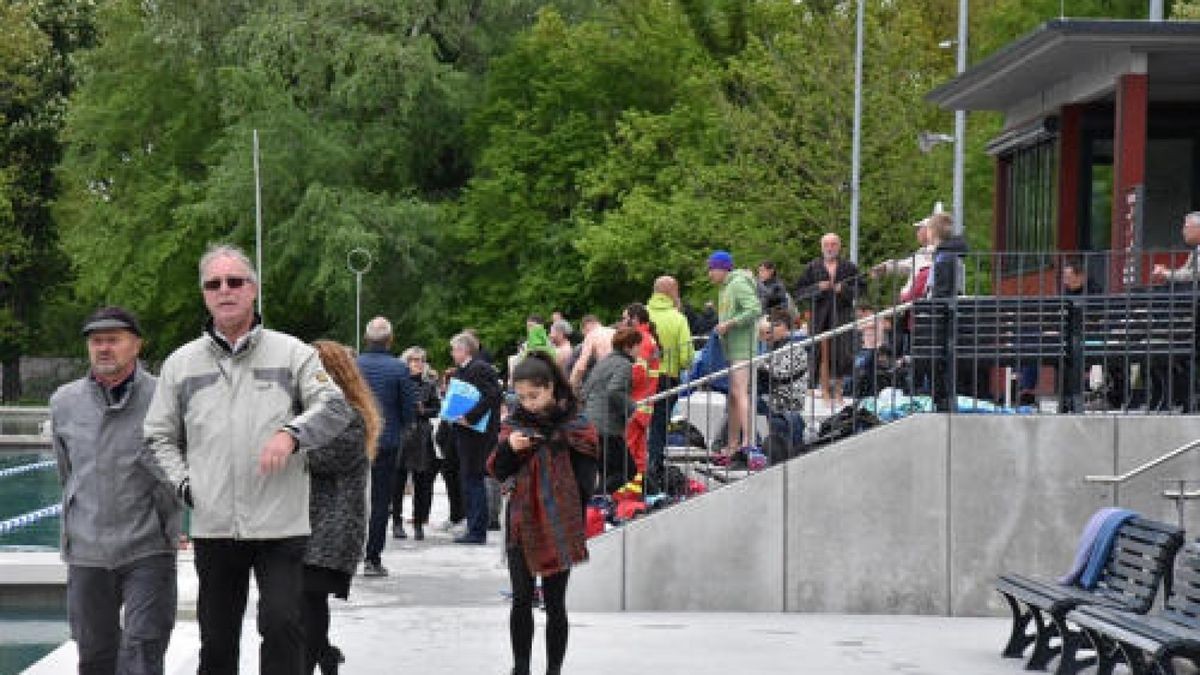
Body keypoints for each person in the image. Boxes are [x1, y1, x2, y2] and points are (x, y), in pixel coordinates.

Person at [145, 244, 353, 675]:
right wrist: (186, 486)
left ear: (253, 289)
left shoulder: (292, 353)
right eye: (214, 283)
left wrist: (292, 435)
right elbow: (157, 437)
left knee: (281, 626)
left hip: (280, 524)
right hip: (216, 525)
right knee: (217, 640)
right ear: (204, 294)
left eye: (235, 281)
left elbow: (334, 408)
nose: (225, 290)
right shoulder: (181, 364)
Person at [51, 306, 179, 675]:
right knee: (94, 654)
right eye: (96, 341)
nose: (103, 348)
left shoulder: (164, 397)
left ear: (136, 345)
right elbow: (67, 471)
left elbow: (179, 465)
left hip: (148, 546)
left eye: (113, 340)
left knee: (143, 650)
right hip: (87, 548)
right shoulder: (64, 401)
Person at [488, 352, 598, 675]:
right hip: (522, 522)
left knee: (555, 603)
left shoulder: (577, 425)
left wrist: (561, 501)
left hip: (560, 522)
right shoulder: (515, 425)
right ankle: (520, 667)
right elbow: (496, 469)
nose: (528, 403)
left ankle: (554, 669)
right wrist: (511, 449)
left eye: (534, 395)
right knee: (521, 599)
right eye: (521, 397)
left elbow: (586, 482)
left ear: (551, 388)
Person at [303, 341, 378, 675]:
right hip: (310, 525)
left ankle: (318, 656)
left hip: (332, 528)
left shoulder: (348, 416)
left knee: (308, 598)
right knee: (305, 601)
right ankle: (324, 654)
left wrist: (281, 439)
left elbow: (320, 458)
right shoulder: (312, 410)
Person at [356, 316, 415, 576]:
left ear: (366, 338)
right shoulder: (399, 368)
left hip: (356, 440)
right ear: (390, 340)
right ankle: (372, 558)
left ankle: (348, 554)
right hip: (387, 441)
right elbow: (408, 408)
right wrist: (404, 428)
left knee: (353, 499)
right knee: (381, 502)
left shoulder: (354, 364)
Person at [448, 331, 503, 544]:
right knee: (469, 478)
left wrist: (470, 417)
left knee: (474, 479)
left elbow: (493, 395)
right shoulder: (465, 369)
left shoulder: (479, 368)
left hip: (476, 434)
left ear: (464, 350)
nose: (452, 353)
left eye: (454, 349)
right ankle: (473, 526)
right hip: (467, 432)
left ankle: (477, 530)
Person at [707, 250, 763, 456]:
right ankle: (732, 444)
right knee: (733, 395)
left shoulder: (738, 283)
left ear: (722, 268)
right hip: (731, 348)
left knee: (740, 392)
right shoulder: (724, 288)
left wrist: (729, 324)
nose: (709, 274)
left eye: (711, 269)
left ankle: (748, 441)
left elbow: (755, 309)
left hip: (742, 347)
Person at [795, 233, 861, 406]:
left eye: (833, 244)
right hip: (820, 316)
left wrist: (844, 289)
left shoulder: (849, 267)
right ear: (821, 247)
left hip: (842, 314)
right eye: (827, 245)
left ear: (839, 246)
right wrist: (817, 287)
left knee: (841, 353)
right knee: (822, 354)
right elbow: (799, 292)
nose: (830, 248)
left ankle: (838, 394)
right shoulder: (813, 266)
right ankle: (824, 392)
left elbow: (861, 289)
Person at [645, 276, 694, 493]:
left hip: (642, 377)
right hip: (666, 378)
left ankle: (637, 467)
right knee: (658, 424)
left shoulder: (642, 314)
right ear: (673, 292)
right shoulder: (677, 318)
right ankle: (654, 465)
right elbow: (687, 357)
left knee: (638, 423)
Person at [580, 327, 641, 493]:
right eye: (637, 345)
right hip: (608, 429)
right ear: (628, 347)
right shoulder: (624, 365)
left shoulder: (604, 362)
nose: (639, 350)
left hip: (591, 426)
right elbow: (615, 390)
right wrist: (631, 407)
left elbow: (584, 391)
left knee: (608, 472)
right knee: (627, 473)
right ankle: (595, 501)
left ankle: (600, 506)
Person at [394, 347, 440, 541]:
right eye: (414, 360)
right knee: (398, 482)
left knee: (421, 481)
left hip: (421, 436)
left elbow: (437, 409)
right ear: (407, 362)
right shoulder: (398, 383)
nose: (418, 363)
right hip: (402, 435)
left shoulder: (429, 385)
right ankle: (397, 521)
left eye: (421, 360)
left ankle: (419, 522)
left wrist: (423, 410)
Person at [756, 308, 808, 462]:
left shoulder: (795, 348)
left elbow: (779, 374)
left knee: (745, 402)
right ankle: (746, 445)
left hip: (788, 402)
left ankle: (784, 452)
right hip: (772, 398)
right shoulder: (774, 347)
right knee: (737, 402)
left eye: (774, 326)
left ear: (785, 327)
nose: (769, 332)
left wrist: (758, 366)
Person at [621, 303, 659, 477]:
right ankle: (640, 491)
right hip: (643, 404)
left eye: (624, 318)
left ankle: (627, 491)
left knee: (628, 451)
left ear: (634, 319)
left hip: (636, 403)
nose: (622, 322)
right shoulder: (648, 337)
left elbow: (638, 373)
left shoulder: (642, 339)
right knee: (638, 453)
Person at [568, 314, 615, 390]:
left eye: (584, 334)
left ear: (585, 327)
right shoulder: (615, 332)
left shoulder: (591, 335)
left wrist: (571, 385)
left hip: (606, 376)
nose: (585, 337)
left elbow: (581, 367)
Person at [1152, 212, 1200, 284]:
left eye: (1186, 227)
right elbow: (1185, 271)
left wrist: (1166, 274)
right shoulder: (1196, 249)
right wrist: (1164, 273)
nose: (1183, 231)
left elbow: (1196, 274)